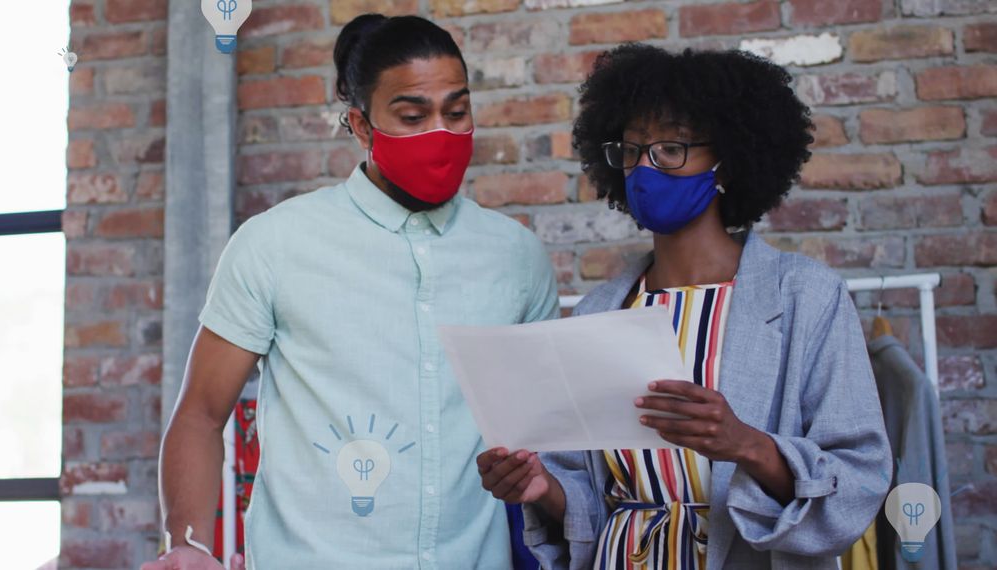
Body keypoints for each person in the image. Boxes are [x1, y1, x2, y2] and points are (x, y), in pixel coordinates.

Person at [142, 14, 559, 570]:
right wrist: (187, 545)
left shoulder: (516, 257)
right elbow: (199, 412)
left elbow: (547, 432)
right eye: (413, 116)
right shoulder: (276, 243)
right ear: (361, 126)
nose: (441, 131)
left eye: (457, 112)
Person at [477, 44, 893, 569]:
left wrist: (748, 445)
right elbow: (586, 496)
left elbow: (859, 477)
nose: (645, 168)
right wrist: (541, 489)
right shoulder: (600, 311)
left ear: (728, 158)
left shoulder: (806, 297)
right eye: (631, 150)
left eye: (670, 148)